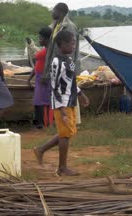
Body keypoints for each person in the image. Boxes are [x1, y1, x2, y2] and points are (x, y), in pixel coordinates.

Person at [33, 30, 90, 176]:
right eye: (72, 43)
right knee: (65, 134)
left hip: (70, 100)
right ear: (63, 44)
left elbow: (71, 82)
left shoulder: (69, 60)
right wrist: (61, 108)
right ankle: (62, 168)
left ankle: (41, 149)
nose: (74, 46)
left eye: (74, 43)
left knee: (67, 132)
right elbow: (54, 85)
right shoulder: (56, 62)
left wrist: (81, 94)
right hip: (61, 102)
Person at [27, 27, 52, 129]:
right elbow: (37, 65)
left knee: (41, 100)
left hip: (44, 78)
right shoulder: (45, 49)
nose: (39, 40)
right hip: (39, 76)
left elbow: (50, 66)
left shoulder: (51, 51)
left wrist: (46, 76)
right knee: (38, 100)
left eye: (40, 38)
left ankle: (41, 123)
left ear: (46, 39)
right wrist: (29, 79)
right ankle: (39, 122)